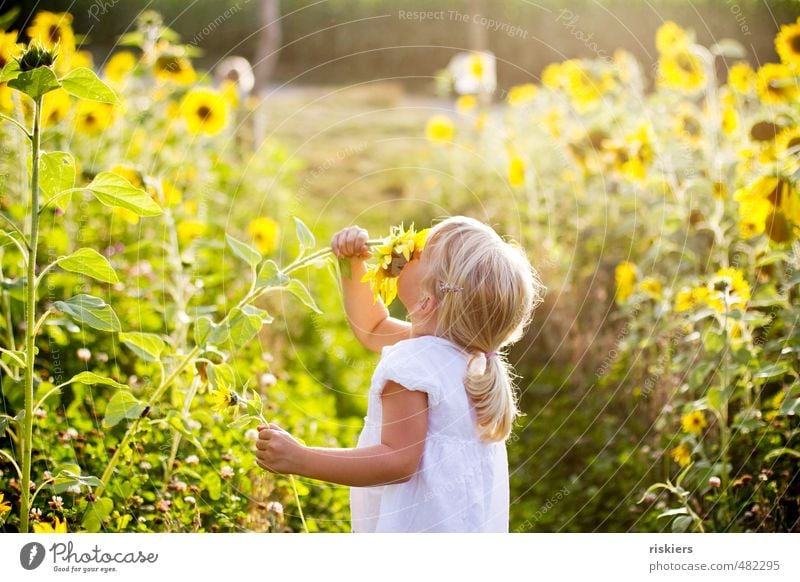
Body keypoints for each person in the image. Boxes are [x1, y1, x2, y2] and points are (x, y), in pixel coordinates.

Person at [254, 215, 546, 532]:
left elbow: (397, 462)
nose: (410, 250)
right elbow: (372, 327)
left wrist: (302, 459)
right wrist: (353, 265)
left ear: (425, 303)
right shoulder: (471, 359)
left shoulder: (414, 364)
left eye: (422, 252)